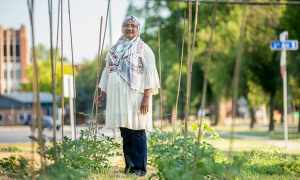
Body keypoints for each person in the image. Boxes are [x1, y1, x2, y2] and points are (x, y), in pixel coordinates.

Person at [95, 15, 160, 176]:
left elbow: (150, 74)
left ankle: (140, 169)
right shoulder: (114, 49)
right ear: (122, 28)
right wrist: (102, 93)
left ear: (138, 29)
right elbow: (108, 71)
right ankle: (130, 167)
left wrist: (146, 97)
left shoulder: (143, 49)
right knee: (126, 133)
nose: (129, 28)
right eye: (126, 25)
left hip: (136, 98)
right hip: (119, 99)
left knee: (138, 131)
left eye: (133, 25)